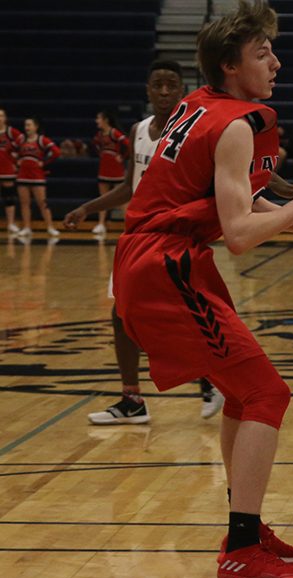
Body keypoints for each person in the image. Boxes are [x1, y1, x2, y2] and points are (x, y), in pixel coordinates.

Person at [111, 1, 293, 578]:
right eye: (263, 54)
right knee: (267, 391)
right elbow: (238, 236)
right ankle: (239, 553)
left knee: (242, 391)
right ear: (232, 66)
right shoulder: (237, 124)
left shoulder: (202, 106)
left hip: (160, 258)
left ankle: (247, 531)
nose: (276, 62)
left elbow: (230, 198)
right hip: (165, 264)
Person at [64, 61, 231, 425]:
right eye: (159, 85)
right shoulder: (138, 130)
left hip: (174, 236)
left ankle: (211, 378)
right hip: (137, 237)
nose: (166, 91)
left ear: (184, 89)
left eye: (173, 84)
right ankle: (132, 400)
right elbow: (129, 185)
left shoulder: (196, 131)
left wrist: (285, 189)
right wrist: (88, 207)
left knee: (181, 314)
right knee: (122, 315)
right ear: (148, 89)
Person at [13, 116, 60, 238]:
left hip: (37, 176)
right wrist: (16, 161)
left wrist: (44, 162)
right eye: (25, 125)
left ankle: (50, 227)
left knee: (42, 203)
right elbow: (10, 150)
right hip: (22, 175)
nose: (26, 127)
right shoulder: (21, 139)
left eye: (29, 125)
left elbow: (56, 152)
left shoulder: (42, 140)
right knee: (24, 203)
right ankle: (27, 227)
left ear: (36, 127)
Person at [91, 110, 130, 236]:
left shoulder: (114, 133)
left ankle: (128, 226)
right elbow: (95, 144)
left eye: (98, 118)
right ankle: (101, 224)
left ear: (105, 120)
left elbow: (128, 145)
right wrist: (101, 153)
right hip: (104, 169)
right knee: (103, 198)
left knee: (122, 200)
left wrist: (123, 157)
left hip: (117, 170)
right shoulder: (99, 135)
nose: (97, 121)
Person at [0, 108, 22, 233]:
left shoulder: (11, 132)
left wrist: (17, 159)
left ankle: (10, 223)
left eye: (1, 115)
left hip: (7, 170)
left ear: (5, 118)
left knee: (9, 196)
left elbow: (23, 144)